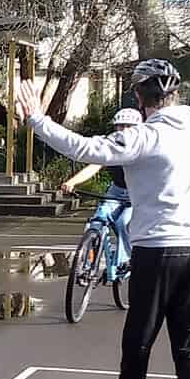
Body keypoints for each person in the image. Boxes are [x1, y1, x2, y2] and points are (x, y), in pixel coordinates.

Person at [15, 58, 190, 379]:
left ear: (138, 97)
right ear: (175, 95)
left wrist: (38, 121)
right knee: (189, 346)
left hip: (156, 249)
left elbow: (85, 148)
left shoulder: (145, 136)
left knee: (140, 340)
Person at [60, 107, 143, 271]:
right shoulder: (112, 146)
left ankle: (124, 262)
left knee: (123, 223)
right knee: (98, 220)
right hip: (116, 190)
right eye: (120, 126)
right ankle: (88, 263)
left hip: (136, 193)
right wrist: (72, 182)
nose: (124, 130)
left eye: (129, 126)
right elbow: (94, 166)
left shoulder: (143, 147)